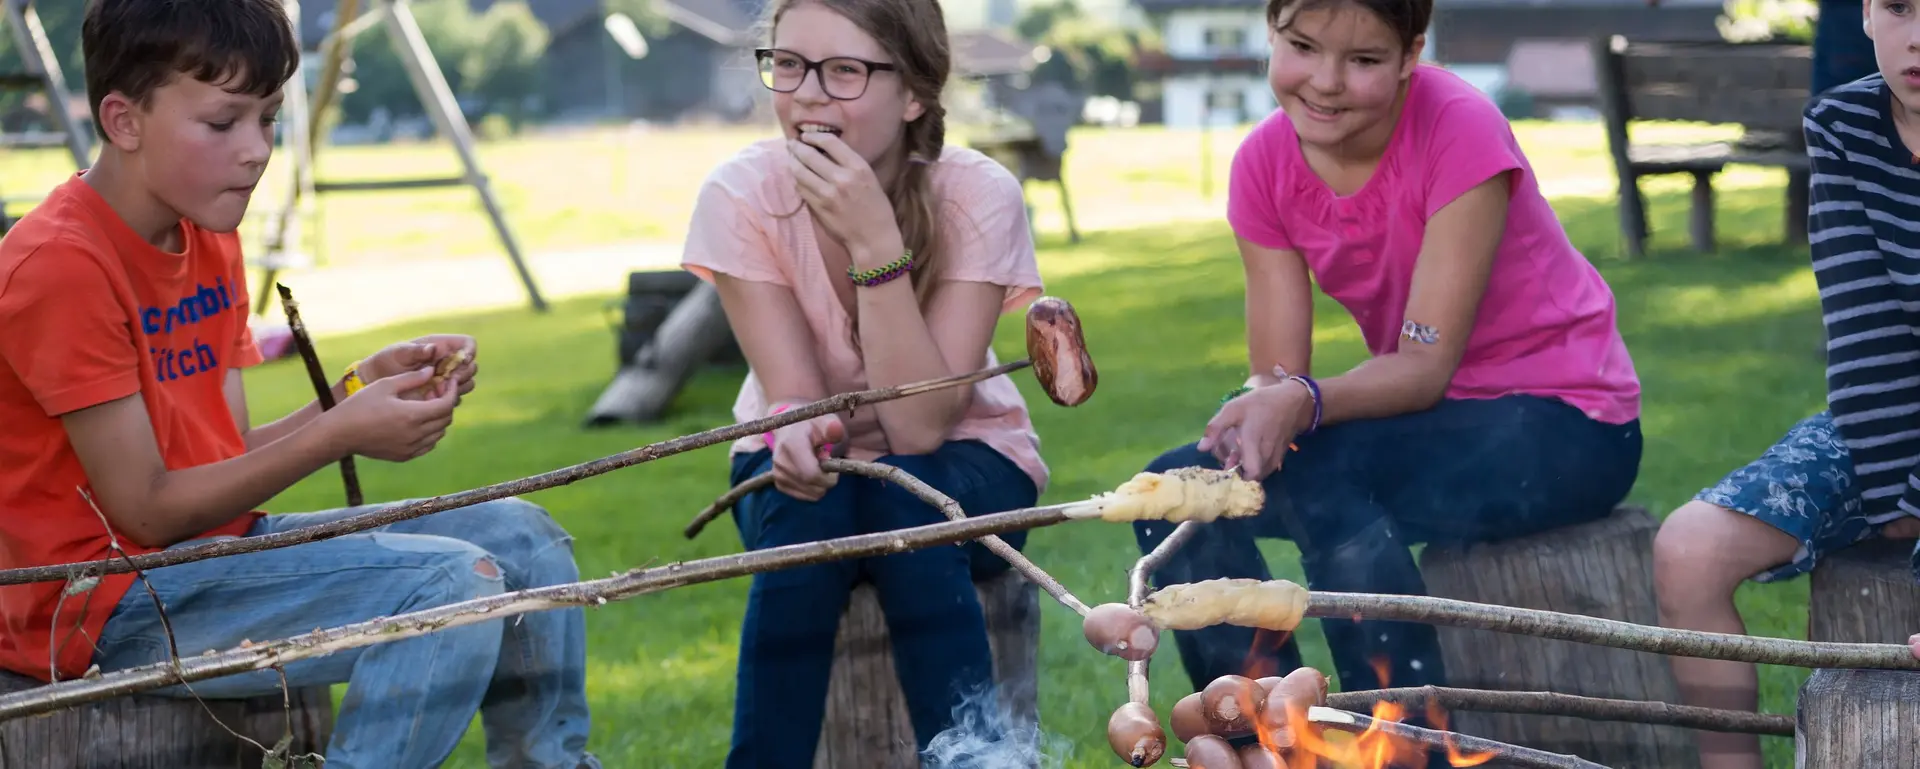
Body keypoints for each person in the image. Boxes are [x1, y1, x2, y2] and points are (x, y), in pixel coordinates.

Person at [0, 2, 596, 768]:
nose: (256, 152)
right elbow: (146, 509)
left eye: (269, 119)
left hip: (211, 556)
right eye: (223, 124)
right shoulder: (61, 266)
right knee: (449, 585)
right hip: (101, 604)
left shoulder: (209, 231)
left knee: (526, 540)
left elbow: (228, 453)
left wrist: (353, 392)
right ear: (124, 119)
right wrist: (341, 432)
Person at [1130, 0, 1645, 726]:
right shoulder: (1264, 163)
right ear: (1271, 33)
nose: (1327, 81)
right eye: (1302, 47)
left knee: (1326, 470)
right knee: (1177, 494)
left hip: (1569, 423)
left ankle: (1403, 734)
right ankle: (1270, 733)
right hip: (1431, 421)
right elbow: (1277, 373)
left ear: (1411, 54)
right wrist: (1256, 415)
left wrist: (1299, 402)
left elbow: (1422, 366)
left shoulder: (1457, 125)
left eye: (1364, 60)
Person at [677, 0, 1048, 765]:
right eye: (788, 64)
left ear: (913, 93)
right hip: (796, 459)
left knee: (897, 495)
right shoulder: (741, 195)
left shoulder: (977, 196)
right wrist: (793, 424)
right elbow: (798, 400)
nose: (807, 94)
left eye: (844, 71)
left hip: (968, 454)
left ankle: (971, 759)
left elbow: (919, 428)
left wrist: (874, 241)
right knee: (813, 525)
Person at [1653, 2, 1920, 766]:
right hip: (1877, 422)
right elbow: (1863, 331)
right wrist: (1895, 492)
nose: (1918, 35)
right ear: (1866, 11)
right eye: (1899, 6)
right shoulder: (1843, 125)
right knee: (1688, 549)